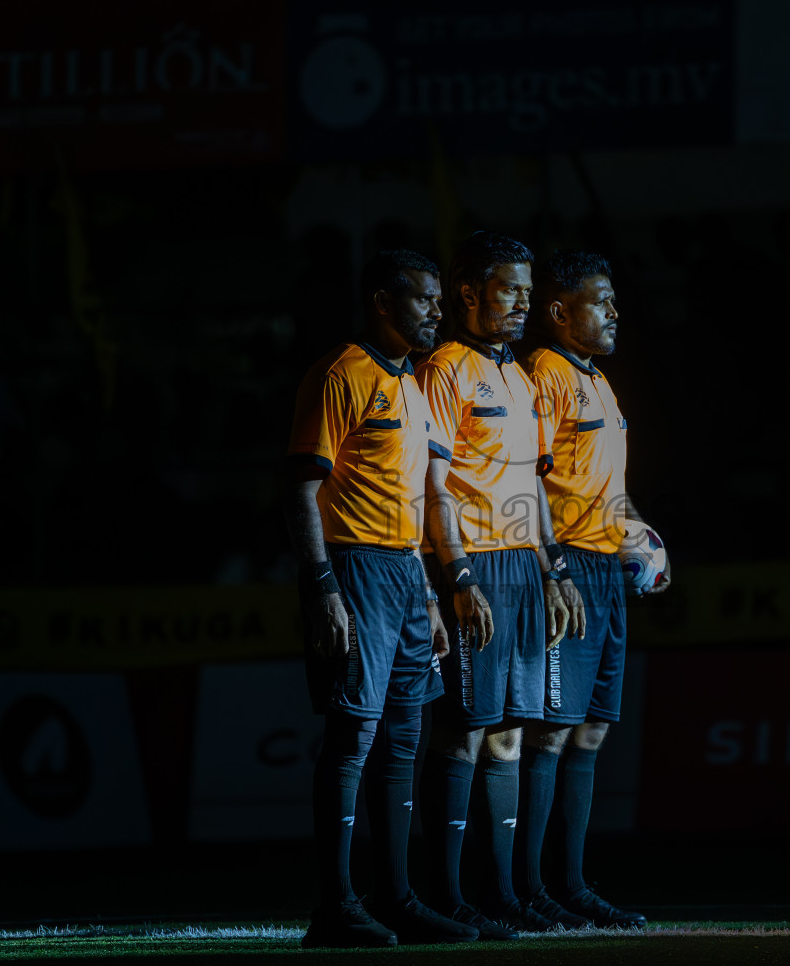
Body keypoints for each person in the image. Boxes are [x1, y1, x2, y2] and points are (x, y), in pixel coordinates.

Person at [283, 250, 481, 948]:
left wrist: (428, 590)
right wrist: (323, 588)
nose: (437, 311)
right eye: (424, 299)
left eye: (438, 300)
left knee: (404, 737)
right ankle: (333, 907)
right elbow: (304, 489)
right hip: (355, 570)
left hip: (402, 573)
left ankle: (396, 899)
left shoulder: (416, 387)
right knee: (354, 736)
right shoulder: (342, 374)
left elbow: (420, 497)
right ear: (381, 303)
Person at [416, 232, 585, 938]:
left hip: (522, 562)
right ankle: (444, 895)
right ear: (468, 294)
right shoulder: (446, 369)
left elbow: (534, 484)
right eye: (508, 289)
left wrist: (553, 567)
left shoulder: (518, 375)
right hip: (472, 564)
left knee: (508, 736)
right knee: (461, 733)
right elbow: (429, 482)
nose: (522, 302)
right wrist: (455, 575)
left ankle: (505, 893)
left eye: (525, 290)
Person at [517, 250, 672, 928]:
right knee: (548, 735)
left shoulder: (599, 381)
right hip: (568, 568)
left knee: (591, 732)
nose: (614, 312)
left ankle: (573, 886)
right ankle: (526, 890)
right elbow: (526, 479)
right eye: (599, 300)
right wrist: (552, 569)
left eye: (614, 300)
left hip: (609, 568)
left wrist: (640, 531)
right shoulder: (544, 376)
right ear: (558, 312)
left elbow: (606, 484)